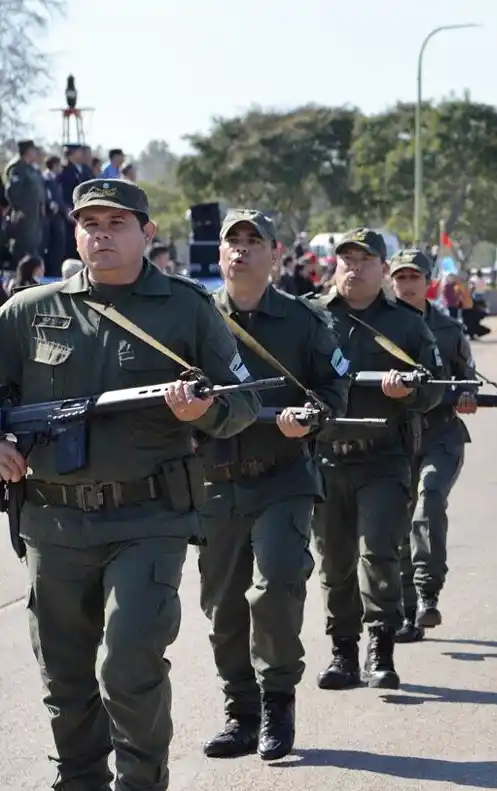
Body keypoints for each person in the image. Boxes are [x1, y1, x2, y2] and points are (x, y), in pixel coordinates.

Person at [0, 178, 261, 791]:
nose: (101, 235)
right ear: (75, 234)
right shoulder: (27, 311)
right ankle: (80, 779)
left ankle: (141, 782)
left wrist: (204, 412)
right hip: (53, 522)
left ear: (147, 233)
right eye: (89, 224)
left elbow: (245, 399)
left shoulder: (185, 307)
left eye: (116, 223)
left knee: (128, 665)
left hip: (148, 518)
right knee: (65, 676)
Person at [198, 209, 352, 761]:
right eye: (232, 241)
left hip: (284, 475)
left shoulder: (303, 320)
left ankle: (276, 701)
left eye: (253, 241)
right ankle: (240, 712)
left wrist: (310, 418)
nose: (241, 249)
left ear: (275, 254)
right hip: (215, 480)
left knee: (276, 587)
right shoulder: (196, 317)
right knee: (223, 608)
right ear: (220, 253)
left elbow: (334, 389)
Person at [306, 228, 443, 692]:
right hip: (326, 459)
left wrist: (409, 392)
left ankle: (380, 648)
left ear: (383, 269)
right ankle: (342, 652)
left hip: (383, 458)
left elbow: (434, 387)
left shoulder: (406, 324)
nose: (354, 268)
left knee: (378, 551)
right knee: (334, 562)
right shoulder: (311, 316)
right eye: (347, 259)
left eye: (365, 260)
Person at [387, 249, 478, 642]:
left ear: (429, 282)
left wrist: (467, 395)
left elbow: (467, 376)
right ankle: (408, 610)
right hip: (394, 438)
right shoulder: (377, 326)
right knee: (399, 520)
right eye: (400, 277)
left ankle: (427, 593)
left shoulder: (449, 329)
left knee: (429, 501)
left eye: (414, 277)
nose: (407, 285)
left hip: (441, 434)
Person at [4, 140, 46, 261]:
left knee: (33, 247)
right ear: (28, 152)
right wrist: (19, 209)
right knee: (21, 248)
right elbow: (12, 191)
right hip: (23, 216)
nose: (36, 153)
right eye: (33, 150)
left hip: (34, 215)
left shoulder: (31, 169)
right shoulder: (17, 168)